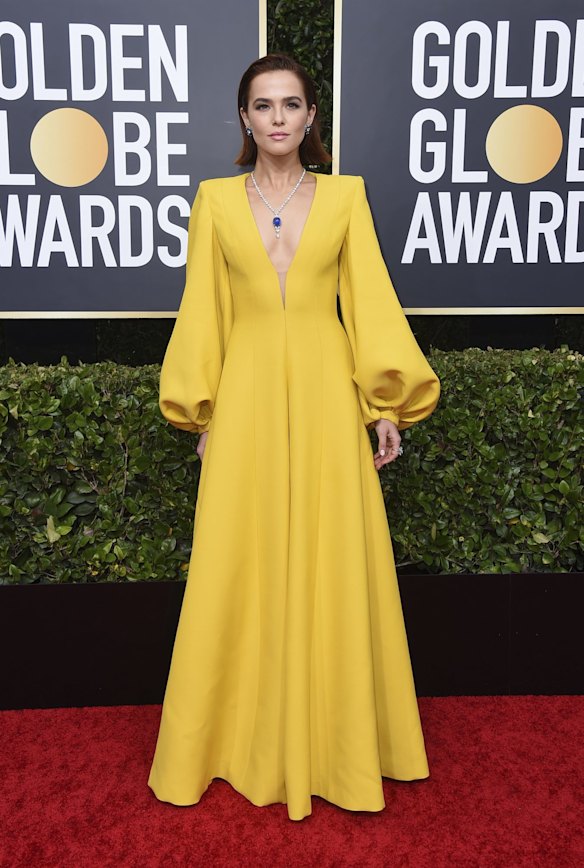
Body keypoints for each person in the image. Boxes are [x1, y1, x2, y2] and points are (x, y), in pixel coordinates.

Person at [147, 52, 440, 822]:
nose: (278, 117)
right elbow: (202, 310)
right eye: (263, 105)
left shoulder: (346, 198)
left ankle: (339, 745)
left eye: (291, 104)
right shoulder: (213, 200)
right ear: (244, 120)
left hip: (322, 391)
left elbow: (369, 300)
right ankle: (229, 743)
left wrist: (385, 406)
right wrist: (202, 414)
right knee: (239, 560)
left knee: (329, 556)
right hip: (243, 398)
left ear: (312, 118)